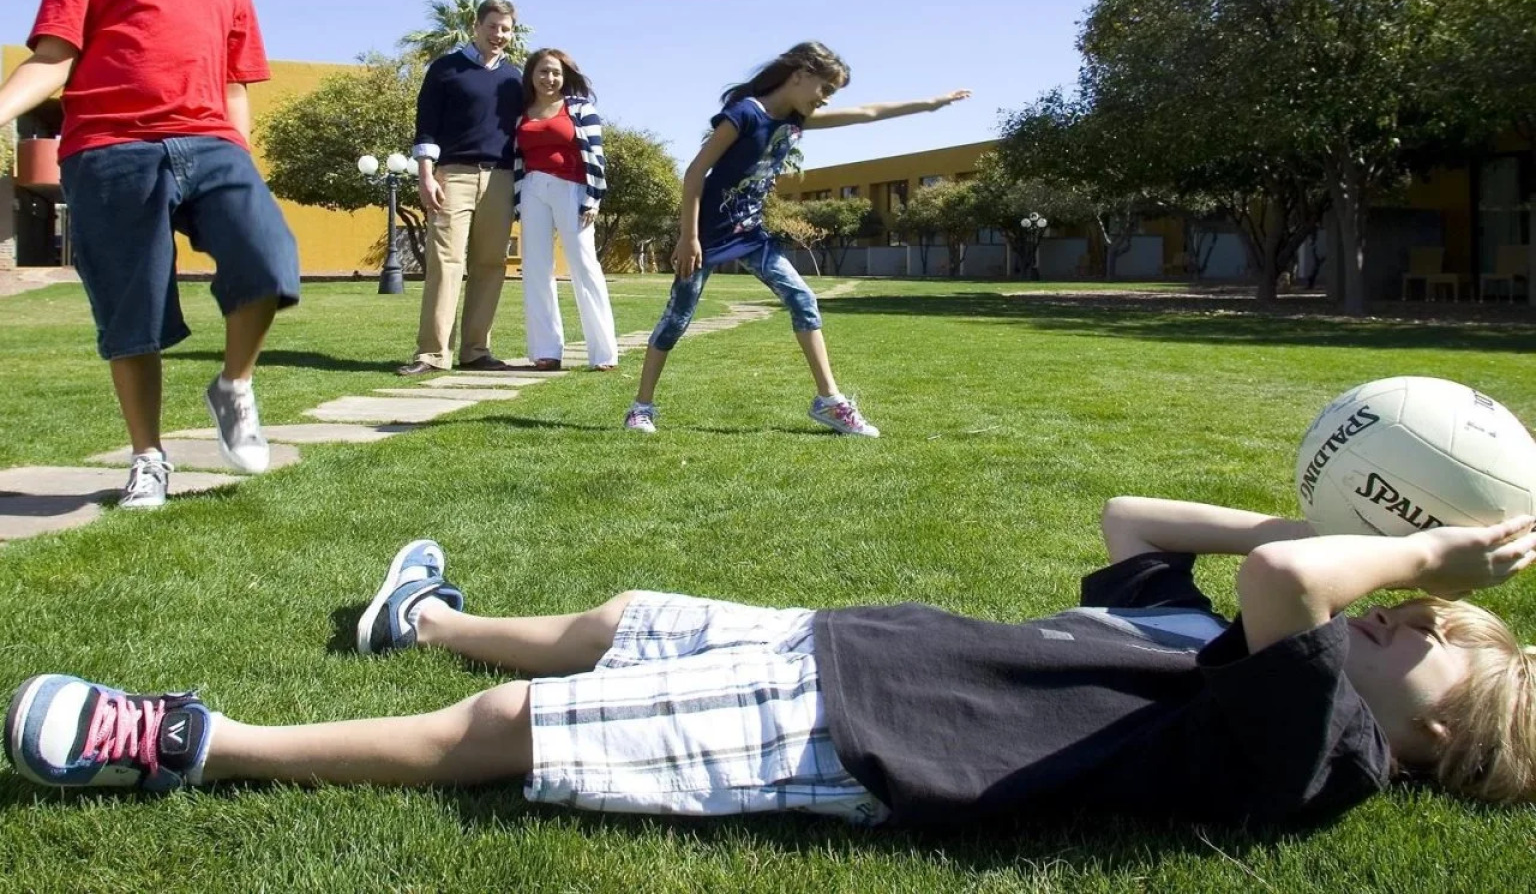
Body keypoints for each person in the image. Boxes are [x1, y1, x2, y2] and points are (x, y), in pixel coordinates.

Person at [7, 499, 1534, 825]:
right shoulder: (1230, 653)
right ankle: (425, 614)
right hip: (849, 651)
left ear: (1430, 750)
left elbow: (1287, 585)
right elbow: (1142, 523)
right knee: (621, 615)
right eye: (1422, 614)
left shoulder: (1309, 758)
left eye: (1440, 654)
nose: (1411, 624)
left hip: (863, 734)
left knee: (517, 725)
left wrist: (1428, 553)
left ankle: (196, 740)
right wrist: (1340, 504)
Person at [0, 0, 299, 508]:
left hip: (209, 143)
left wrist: (239, 160)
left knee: (269, 257)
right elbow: (53, 60)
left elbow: (233, 88)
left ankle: (234, 386)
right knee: (132, 311)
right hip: (107, 152)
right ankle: (148, 458)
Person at [622, 41, 969, 437]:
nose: (824, 101)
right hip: (706, 237)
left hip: (752, 235)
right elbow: (695, 173)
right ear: (800, 75)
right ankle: (640, 408)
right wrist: (688, 237)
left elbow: (867, 113)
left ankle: (830, 402)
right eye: (825, 90)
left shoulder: (797, 120)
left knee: (802, 297)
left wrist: (931, 103)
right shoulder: (744, 114)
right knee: (677, 319)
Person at [397, 0, 524, 377]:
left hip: (500, 178)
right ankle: (432, 353)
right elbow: (427, 128)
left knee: (490, 265)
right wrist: (425, 174)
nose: (499, 35)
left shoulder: (515, 78)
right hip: (453, 175)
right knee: (447, 263)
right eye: (492, 27)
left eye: (506, 29)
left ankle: (475, 351)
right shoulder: (445, 69)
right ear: (476, 26)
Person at [510, 49, 618, 371]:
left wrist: (593, 199)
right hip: (532, 189)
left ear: (565, 76)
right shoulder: (522, 113)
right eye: (543, 72)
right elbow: (517, 159)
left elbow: (597, 156)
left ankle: (604, 354)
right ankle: (546, 351)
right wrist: (518, 200)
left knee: (584, 267)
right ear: (532, 75)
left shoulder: (581, 109)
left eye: (555, 73)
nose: (549, 79)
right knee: (536, 269)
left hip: (572, 189)